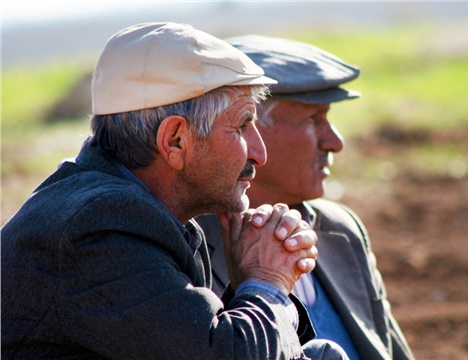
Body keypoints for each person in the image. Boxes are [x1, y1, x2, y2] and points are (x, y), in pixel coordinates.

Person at [1, 22, 348, 360]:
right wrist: (267, 280)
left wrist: (248, 286)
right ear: (175, 140)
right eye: (242, 126)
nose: (259, 153)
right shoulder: (100, 228)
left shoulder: (136, 210)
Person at [195, 35, 415, 360]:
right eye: (313, 119)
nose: (335, 142)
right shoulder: (190, 251)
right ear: (247, 126)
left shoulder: (342, 229)